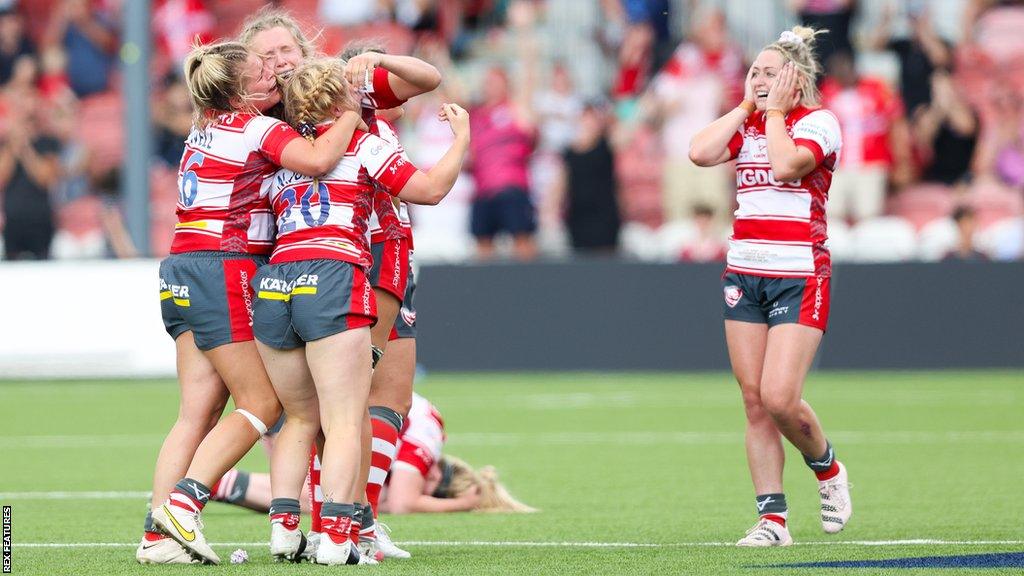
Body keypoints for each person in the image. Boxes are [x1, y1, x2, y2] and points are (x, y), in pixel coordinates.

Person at [139, 41, 362, 565]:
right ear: (240, 89)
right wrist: (350, 114)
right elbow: (319, 159)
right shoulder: (255, 127)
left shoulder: (202, 127)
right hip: (224, 266)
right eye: (264, 70)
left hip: (179, 268)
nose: (274, 76)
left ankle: (157, 538)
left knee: (195, 413)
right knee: (263, 404)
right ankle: (183, 503)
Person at [239, 8, 441, 560]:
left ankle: (359, 518)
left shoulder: (342, 83)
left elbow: (426, 79)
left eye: (285, 50)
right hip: (325, 257)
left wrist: (376, 59)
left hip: (385, 244)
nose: (278, 63)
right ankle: (343, 523)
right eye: (265, 56)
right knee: (334, 400)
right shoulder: (261, 114)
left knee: (391, 393)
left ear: (305, 49)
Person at [688, 26, 852, 547]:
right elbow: (699, 152)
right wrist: (744, 107)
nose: (757, 78)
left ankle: (826, 468)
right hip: (745, 270)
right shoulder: (751, 121)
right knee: (755, 401)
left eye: (767, 72)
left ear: (795, 79)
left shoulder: (819, 122)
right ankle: (772, 520)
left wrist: (774, 113)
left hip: (799, 272)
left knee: (782, 397)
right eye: (752, 71)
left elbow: (786, 165)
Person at [380, 392, 536, 514]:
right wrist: (463, 504)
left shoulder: (404, 450)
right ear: (437, 476)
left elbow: (379, 502)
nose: (419, 491)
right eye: (424, 495)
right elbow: (402, 504)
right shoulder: (427, 438)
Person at [0, 97, 61, 260]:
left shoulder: (47, 142)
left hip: (40, 219)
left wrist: (26, 150)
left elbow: (45, 177)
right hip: (13, 219)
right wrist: (13, 147)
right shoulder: (5, 144)